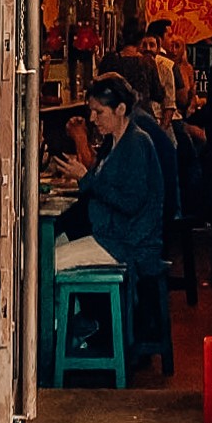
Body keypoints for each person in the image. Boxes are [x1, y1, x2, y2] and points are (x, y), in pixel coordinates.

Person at [51, 74, 164, 278]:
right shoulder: (114, 142)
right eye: (91, 112)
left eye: (99, 112)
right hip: (110, 236)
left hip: (125, 243)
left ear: (120, 109)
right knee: (54, 243)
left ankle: (77, 309)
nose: (93, 119)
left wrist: (86, 178)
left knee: (48, 263)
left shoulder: (136, 144)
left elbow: (131, 202)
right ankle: (75, 309)